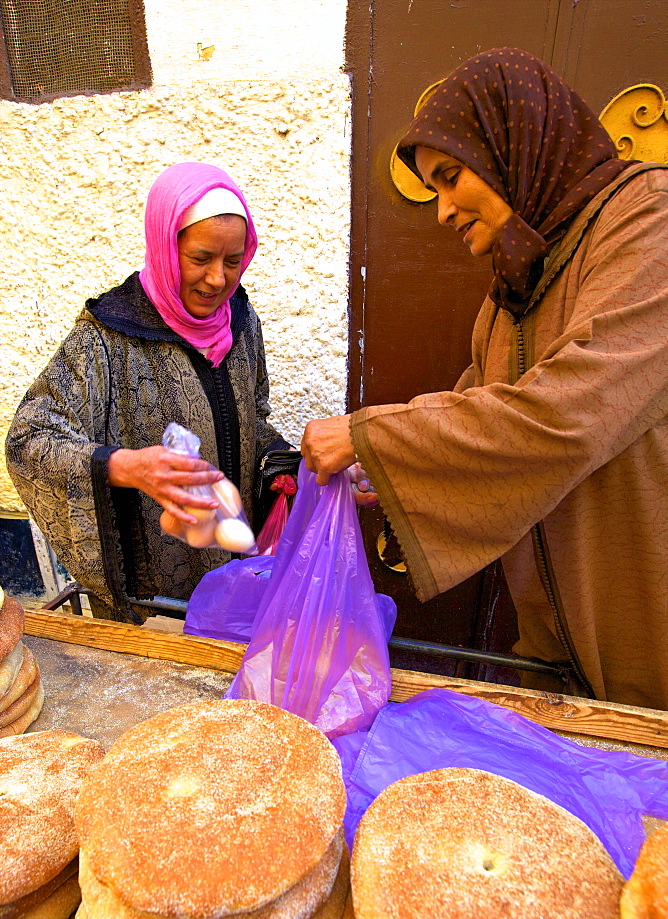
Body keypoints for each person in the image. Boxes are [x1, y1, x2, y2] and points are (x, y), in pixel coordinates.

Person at [301, 47, 668, 710]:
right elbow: (479, 406)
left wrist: (372, 436)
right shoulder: (512, 290)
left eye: (450, 176)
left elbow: (565, 413)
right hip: (555, 653)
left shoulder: (648, 227)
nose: (442, 210)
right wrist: (381, 473)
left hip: (648, 640)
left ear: (515, 145)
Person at [6, 162, 293, 621]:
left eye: (233, 261)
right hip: (153, 597)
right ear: (164, 246)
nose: (218, 279)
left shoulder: (240, 321)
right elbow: (29, 440)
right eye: (200, 259)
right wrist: (126, 466)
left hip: (237, 574)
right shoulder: (106, 336)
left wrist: (292, 466)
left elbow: (253, 421)